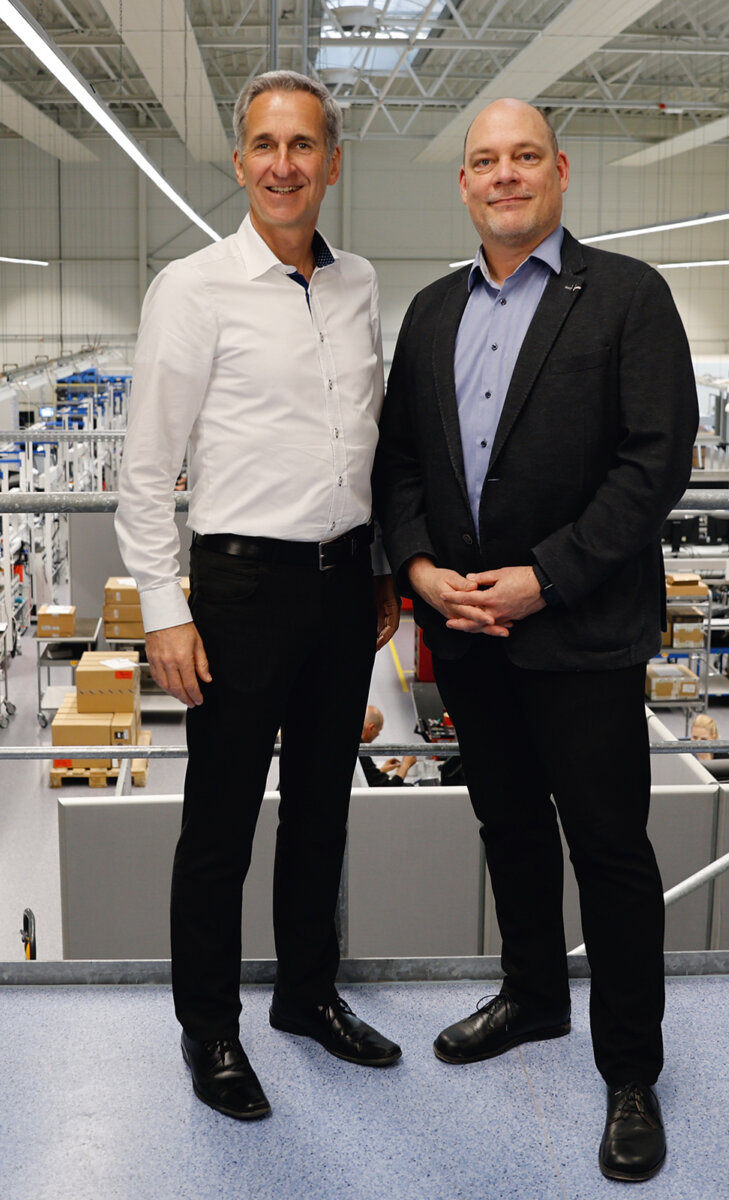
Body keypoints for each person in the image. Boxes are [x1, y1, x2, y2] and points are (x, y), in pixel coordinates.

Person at [373, 98, 698, 1182]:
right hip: (466, 632)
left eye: (524, 157)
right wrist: (419, 570)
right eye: (485, 161)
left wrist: (544, 579)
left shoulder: (627, 297)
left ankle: (630, 1072)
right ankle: (532, 995)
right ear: (462, 183)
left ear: (559, 172)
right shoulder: (430, 311)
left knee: (608, 851)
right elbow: (400, 464)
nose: (503, 175)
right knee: (507, 825)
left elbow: (653, 463)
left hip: (582, 632)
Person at [116, 70, 402, 1123]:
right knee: (221, 824)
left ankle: (306, 996)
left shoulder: (359, 283)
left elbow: (364, 440)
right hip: (239, 589)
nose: (285, 164)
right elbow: (146, 471)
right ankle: (209, 1028)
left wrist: (380, 565)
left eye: (304, 145)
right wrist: (164, 608)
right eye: (266, 145)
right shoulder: (193, 289)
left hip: (343, 585)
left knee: (322, 809)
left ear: (332, 163)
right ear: (240, 162)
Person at [360, 704, 417, 785]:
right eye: (378, 732)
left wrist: (382, 770)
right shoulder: (361, 753)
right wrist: (405, 766)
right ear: (371, 728)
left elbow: (368, 778)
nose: (377, 735)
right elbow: (387, 789)